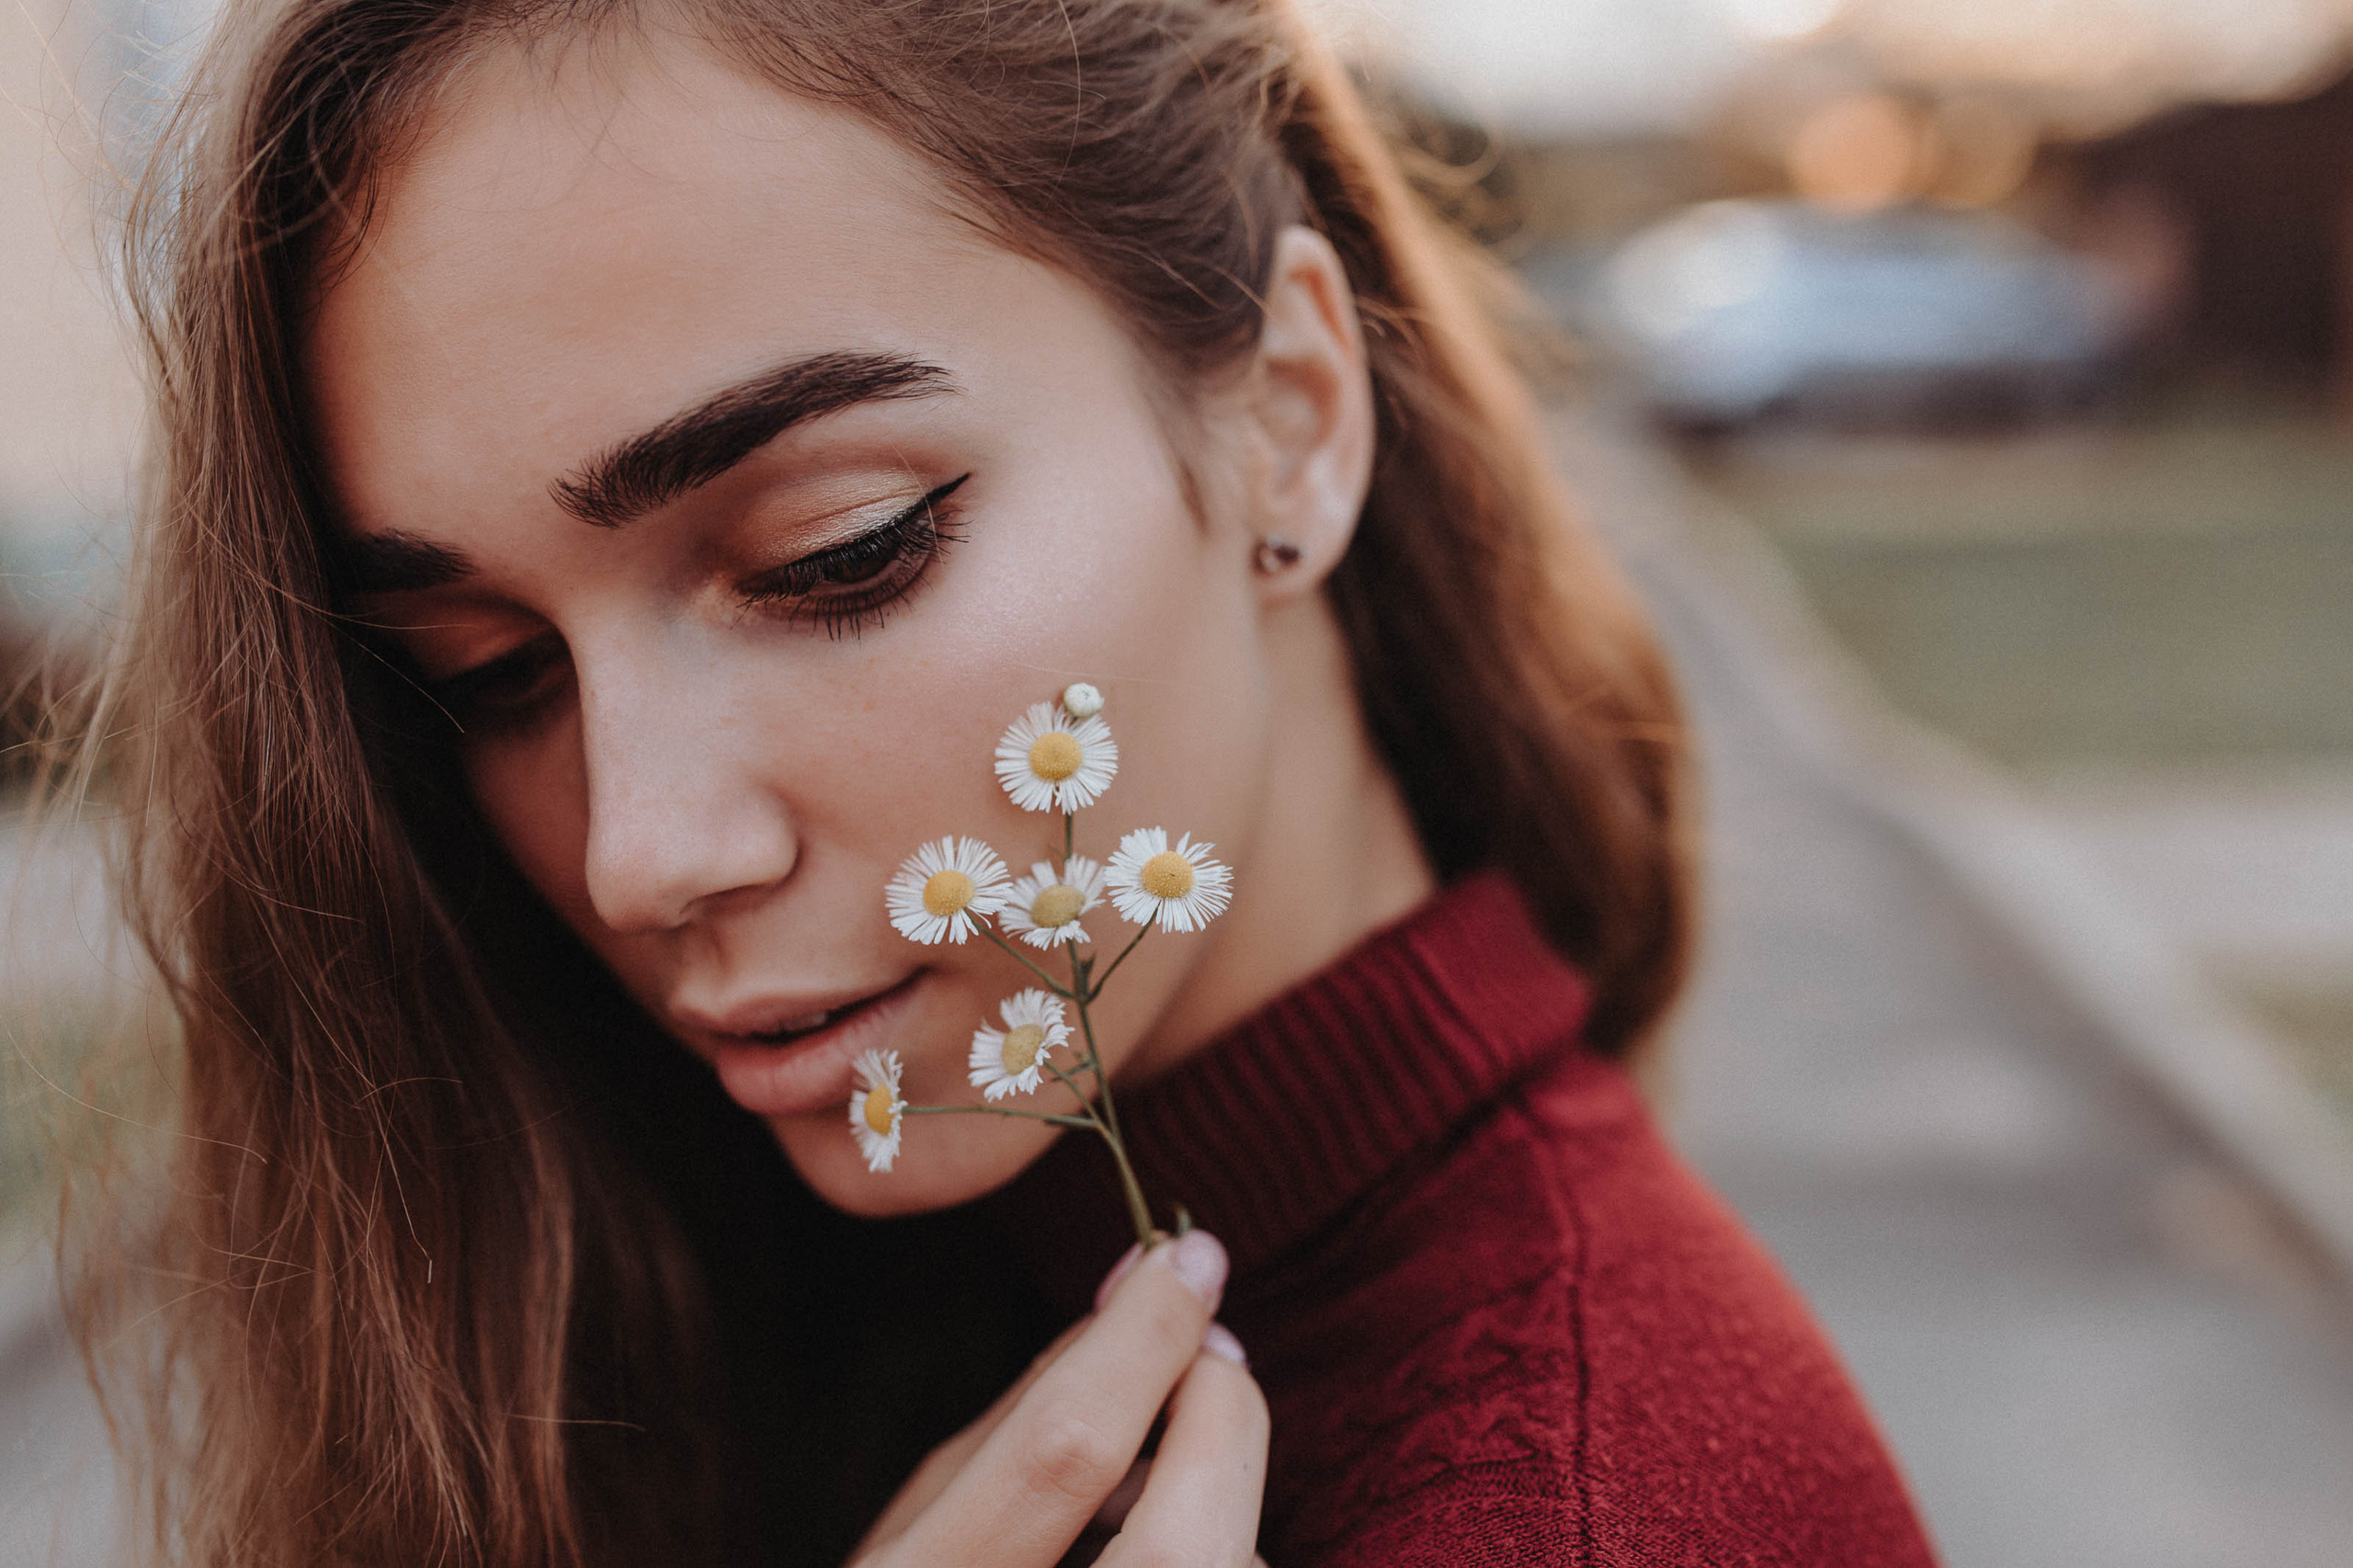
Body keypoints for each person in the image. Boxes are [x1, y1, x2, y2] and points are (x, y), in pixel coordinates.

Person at [66, 0, 1942, 1562]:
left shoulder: (1579, 1509)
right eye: (484, 677)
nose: (642, 853)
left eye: (837, 554)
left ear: (1287, 422)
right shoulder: (795, 1289)